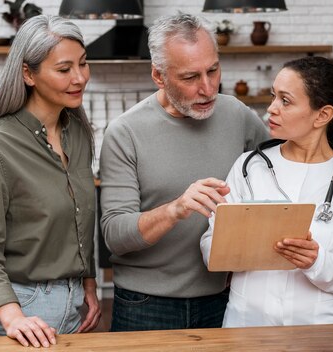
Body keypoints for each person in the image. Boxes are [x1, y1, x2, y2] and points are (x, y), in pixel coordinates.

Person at [99, 13, 267, 331]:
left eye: (213, 70)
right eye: (190, 77)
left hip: (224, 297)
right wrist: (177, 209)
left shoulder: (238, 115)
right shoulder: (125, 131)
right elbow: (116, 236)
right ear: (159, 76)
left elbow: (282, 170)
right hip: (145, 306)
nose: (207, 88)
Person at [200, 56, 333, 327]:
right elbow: (209, 242)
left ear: (323, 115)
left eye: (285, 100)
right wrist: (233, 246)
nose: (271, 109)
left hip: (316, 327)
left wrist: (317, 261)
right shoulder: (249, 167)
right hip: (245, 322)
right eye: (273, 96)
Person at [0, 15, 100, 348]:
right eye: (64, 69)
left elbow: (80, 218)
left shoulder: (77, 133)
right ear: (28, 73)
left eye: (83, 64)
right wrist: (14, 317)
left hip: (72, 305)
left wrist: (88, 284)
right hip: (11, 310)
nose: (79, 77)